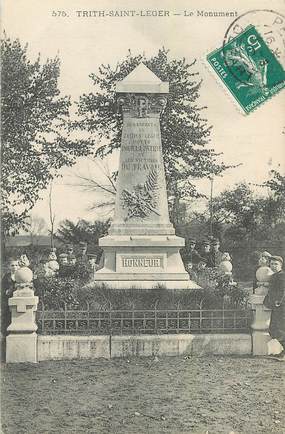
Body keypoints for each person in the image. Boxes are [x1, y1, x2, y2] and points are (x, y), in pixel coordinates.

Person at [264, 256, 285, 361]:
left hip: (281, 306)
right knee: (274, 328)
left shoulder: (282, 275)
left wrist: (279, 301)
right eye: (272, 264)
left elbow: (283, 290)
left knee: (280, 329)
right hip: (276, 306)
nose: (273, 266)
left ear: (281, 265)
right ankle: (282, 352)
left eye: (276, 264)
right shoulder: (275, 275)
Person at [1, 259, 19, 339]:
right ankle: (6, 334)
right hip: (8, 299)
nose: (14, 267)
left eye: (16, 265)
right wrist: (6, 291)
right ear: (9, 267)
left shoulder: (21, 276)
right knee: (7, 316)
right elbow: (2, 288)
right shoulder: (6, 276)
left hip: (18, 299)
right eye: (12, 265)